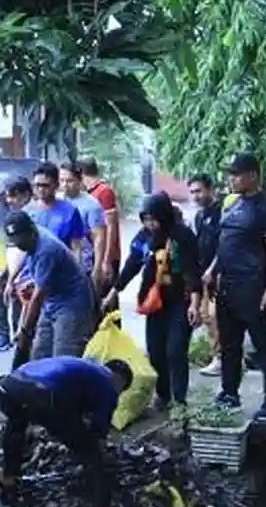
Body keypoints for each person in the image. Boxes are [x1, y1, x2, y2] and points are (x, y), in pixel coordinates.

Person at [0, 357, 134, 507]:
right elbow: (98, 434)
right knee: (90, 453)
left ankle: (9, 478)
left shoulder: (85, 369)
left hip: (9, 386)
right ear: (119, 380)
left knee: (16, 428)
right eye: (122, 390)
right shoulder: (108, 386)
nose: (119, 395)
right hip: (43, 392)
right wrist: (99, 453)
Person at [202, 153, 266, 421]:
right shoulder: (232, 204)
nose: (232, 179)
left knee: (263, 344)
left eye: (237, 174)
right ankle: (229, 393)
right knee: (229, 343)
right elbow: (226, 242)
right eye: (230, 174)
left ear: (253, 176)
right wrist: (212, 270)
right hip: (227, 285)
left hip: (253, 286)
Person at [102, 193, 202, 410]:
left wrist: (195, 303)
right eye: (146, 219)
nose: (151, 224)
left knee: (176, 350)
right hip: (155, 302)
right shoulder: (143, 237)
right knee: (155, 351)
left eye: (154, 219)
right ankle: (163, 395)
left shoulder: (182, 236)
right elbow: (132, 264)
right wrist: (114, 291)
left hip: (180, 301)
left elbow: (192, 271)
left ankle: (180, 400)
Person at [5, 210, 94, 360]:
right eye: (16, 242)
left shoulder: (47, 250)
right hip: (51, 301)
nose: (19, 245)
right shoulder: (32, 239)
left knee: (64, 356)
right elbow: (26, 256)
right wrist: (11, 279)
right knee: (40, 354)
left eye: (21, 241)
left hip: (71, 303)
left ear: (31, 232)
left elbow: (37, 297)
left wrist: (25, 331)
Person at [0, 177, 33, 352]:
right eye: (5, 195)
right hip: (0, 258)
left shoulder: (29, 214)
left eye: (12, 196)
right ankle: (3, 335)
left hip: (21, 263)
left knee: (18, 300)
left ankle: (20, 336)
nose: (8, 200)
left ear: (25, 195)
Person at [188, 174, 224, 377]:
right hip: (203, 275)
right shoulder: (200, 216)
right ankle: (218, 356)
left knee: (214, 316)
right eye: (192, 192)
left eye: (199, 191)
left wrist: (212, 269)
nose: (195, 196)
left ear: (210, 189)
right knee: (206, 317)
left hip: (219, 274)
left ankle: (222, 358)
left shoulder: (221, 213)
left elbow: (224, 245)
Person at [77, 157, 122, 299]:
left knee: (106, 299)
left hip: (107, 255)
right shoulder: (89, 193)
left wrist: (106, 260)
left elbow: (111, 227)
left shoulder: (104, 192)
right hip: (95, 254)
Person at [60, 160, 109, 287]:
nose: (65, 185)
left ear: (79, 180)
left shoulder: (91, 205)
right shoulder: (56, 200)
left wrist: (97, 268)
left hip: (82, 265)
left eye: (69, 181)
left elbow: (99, 238)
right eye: (62, 180)